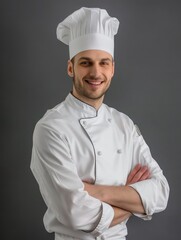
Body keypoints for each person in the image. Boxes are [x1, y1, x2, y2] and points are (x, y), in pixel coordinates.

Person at [30, 7, 169, 240]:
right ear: (70, 68)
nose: (96, 72)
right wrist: (132, 201)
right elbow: (76, 213)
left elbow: (161, 192)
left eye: (104, 63)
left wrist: (95, 192)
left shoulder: (123, 123)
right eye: (86, 62)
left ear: (112, 69)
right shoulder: (51, 128)